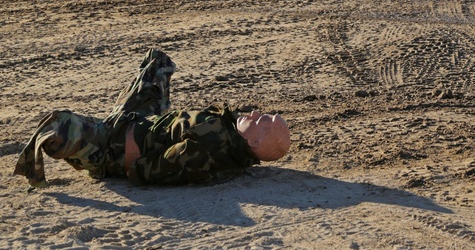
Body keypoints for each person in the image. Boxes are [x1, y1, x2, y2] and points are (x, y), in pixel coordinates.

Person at [13, 49, 290, 188]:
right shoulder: (227, 136)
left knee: (57, 125)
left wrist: (125, 156)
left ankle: (33, 175)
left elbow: (154, 169)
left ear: (254, 139)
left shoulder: (211, 144)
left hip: (113, 145)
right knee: (158, 61)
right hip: (140, 120)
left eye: (261, 120)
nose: (255, 114)